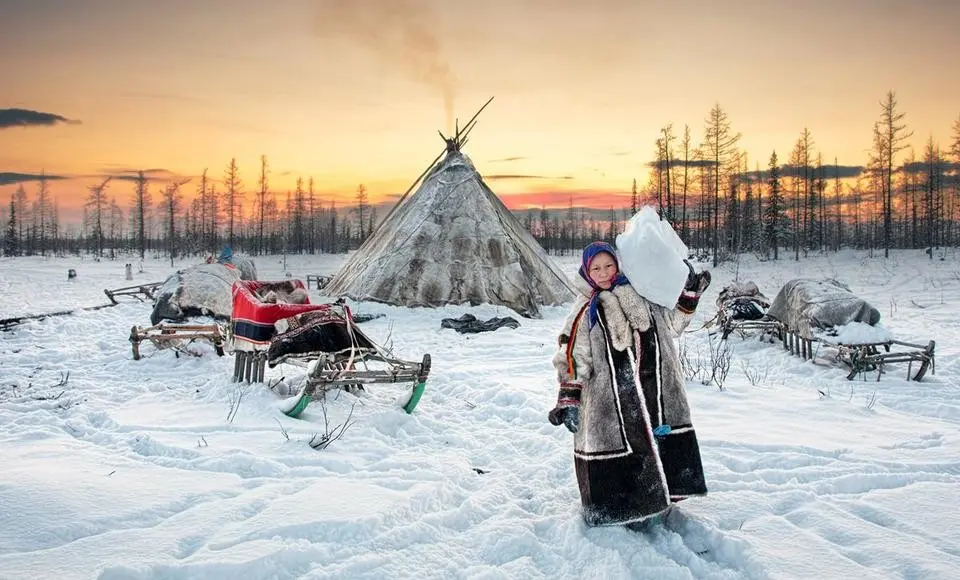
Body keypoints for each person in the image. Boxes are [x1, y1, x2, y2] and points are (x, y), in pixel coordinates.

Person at [548, 241, 711, 528]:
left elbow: (672, 324)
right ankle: (623, 510)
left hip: (650, 387)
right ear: (587, 271)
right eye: (595, 268)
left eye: (608, 265)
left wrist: (689, 295)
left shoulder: (641, 295)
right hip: (608, 397)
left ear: (618, 264)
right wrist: (569, 398)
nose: (603, 273)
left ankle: (663, 499)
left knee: (654, 436)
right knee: (621, 444)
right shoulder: (585, 310)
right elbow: (572, 353)